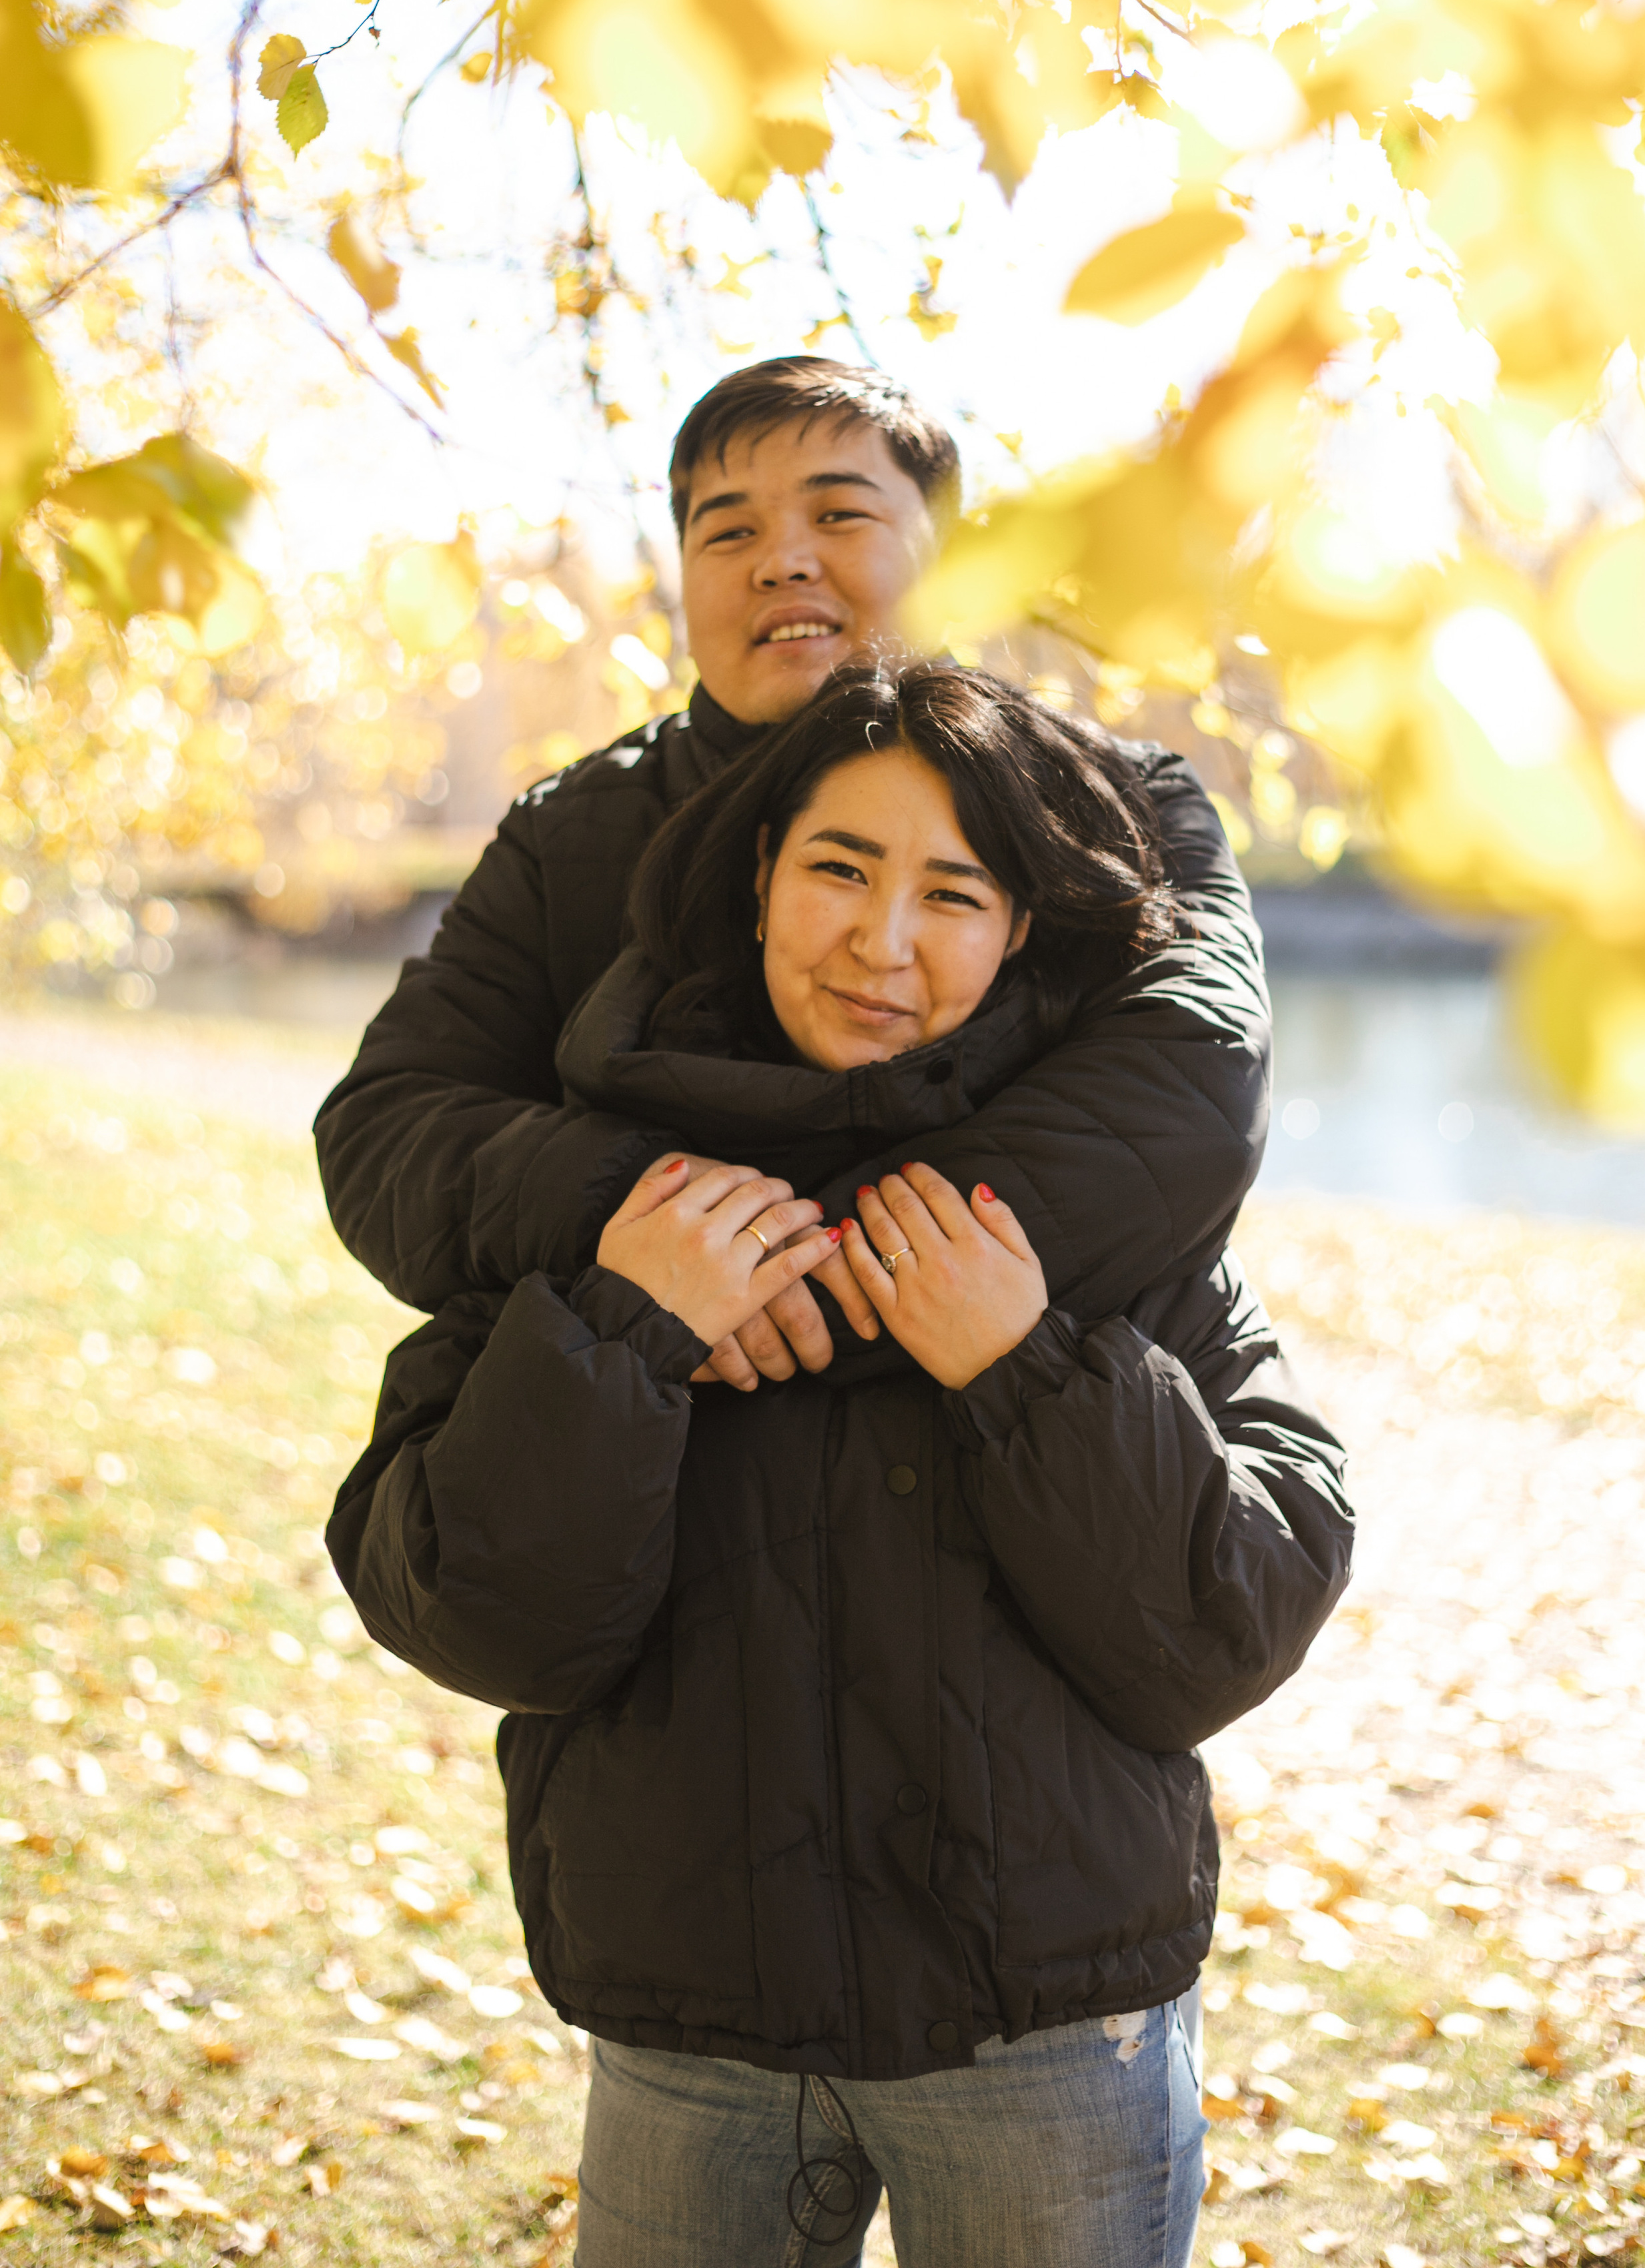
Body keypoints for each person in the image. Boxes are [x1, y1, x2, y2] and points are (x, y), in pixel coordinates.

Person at [327, 661, 1353, 2268]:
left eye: (955, 893)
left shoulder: (1104, 1229)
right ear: (756, 884)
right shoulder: (608, 1194)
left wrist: (1020, 1369)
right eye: (838, 870)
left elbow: (1218, 1632)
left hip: (1045, 2040)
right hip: (688, 2038)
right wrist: (622, 1335)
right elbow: (479, 1617)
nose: (883, 943)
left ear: (1020, 931)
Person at [313, 357, 1271, 1397]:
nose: (781, 563)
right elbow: (388, 1131)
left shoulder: (1114, 803)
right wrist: (661, 1229)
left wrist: (814, 1281)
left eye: (840, 516)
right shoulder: (571, 835)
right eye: (729, 532)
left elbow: (1191, 1086)